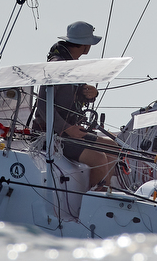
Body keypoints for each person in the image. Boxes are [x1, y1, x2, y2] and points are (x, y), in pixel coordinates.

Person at [40, 21, 123, 189]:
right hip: (52, 136)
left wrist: (91, 94)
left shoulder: (71, 62)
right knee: (99, 158)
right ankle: (91, 204)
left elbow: (70, 97)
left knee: (114, 148)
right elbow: (42, 104)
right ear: (86, 46)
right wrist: (66, 128)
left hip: (72, 132)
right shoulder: (57, 64)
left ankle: (103, 193)